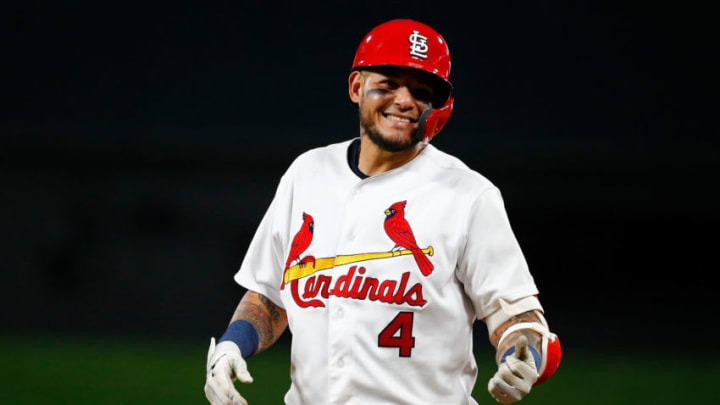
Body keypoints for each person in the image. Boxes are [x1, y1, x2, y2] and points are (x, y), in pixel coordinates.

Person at [204, 19, 561, 405]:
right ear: (357, 87)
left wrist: (522, 356)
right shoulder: (307, 174)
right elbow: (270, 296)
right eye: (389, 84)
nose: (405, 101)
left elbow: (520, 319)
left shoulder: (469, 195)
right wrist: (230, 346)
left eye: (422, 91)